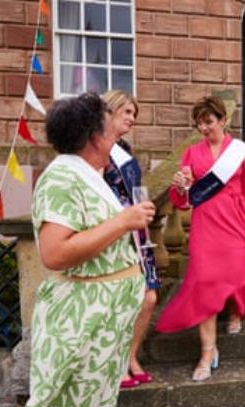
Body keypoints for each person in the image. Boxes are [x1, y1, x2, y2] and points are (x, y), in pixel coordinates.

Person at [0, 93, 155, 407]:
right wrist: (123, 222)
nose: (117, 127)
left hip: (103, 323)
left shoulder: (89, 173)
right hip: (82, 324)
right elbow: (54, 253)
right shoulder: (61, 179)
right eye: (109, 120)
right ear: (94, 136)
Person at [155, 96, 245, 381]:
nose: (204, 128)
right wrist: (180, 187)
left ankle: (235, 309)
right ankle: (208, 351)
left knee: (236, 271)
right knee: (204, 280)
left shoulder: (241, 152)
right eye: (199, 123)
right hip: (206, 222)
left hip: (236, 219)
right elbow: (182, 201)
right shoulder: (192, 153)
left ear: (223, 120)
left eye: (208, 122)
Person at [102, 90, 160, 388]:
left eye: (133, 114)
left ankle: (131, 356)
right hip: (113, 232)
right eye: (127, 112)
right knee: (121, 302)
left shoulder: (123, 147)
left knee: (148, 297)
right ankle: (117, 363)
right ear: (109, 111)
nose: (131, 119)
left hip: (138, 233)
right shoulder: (93, 147)